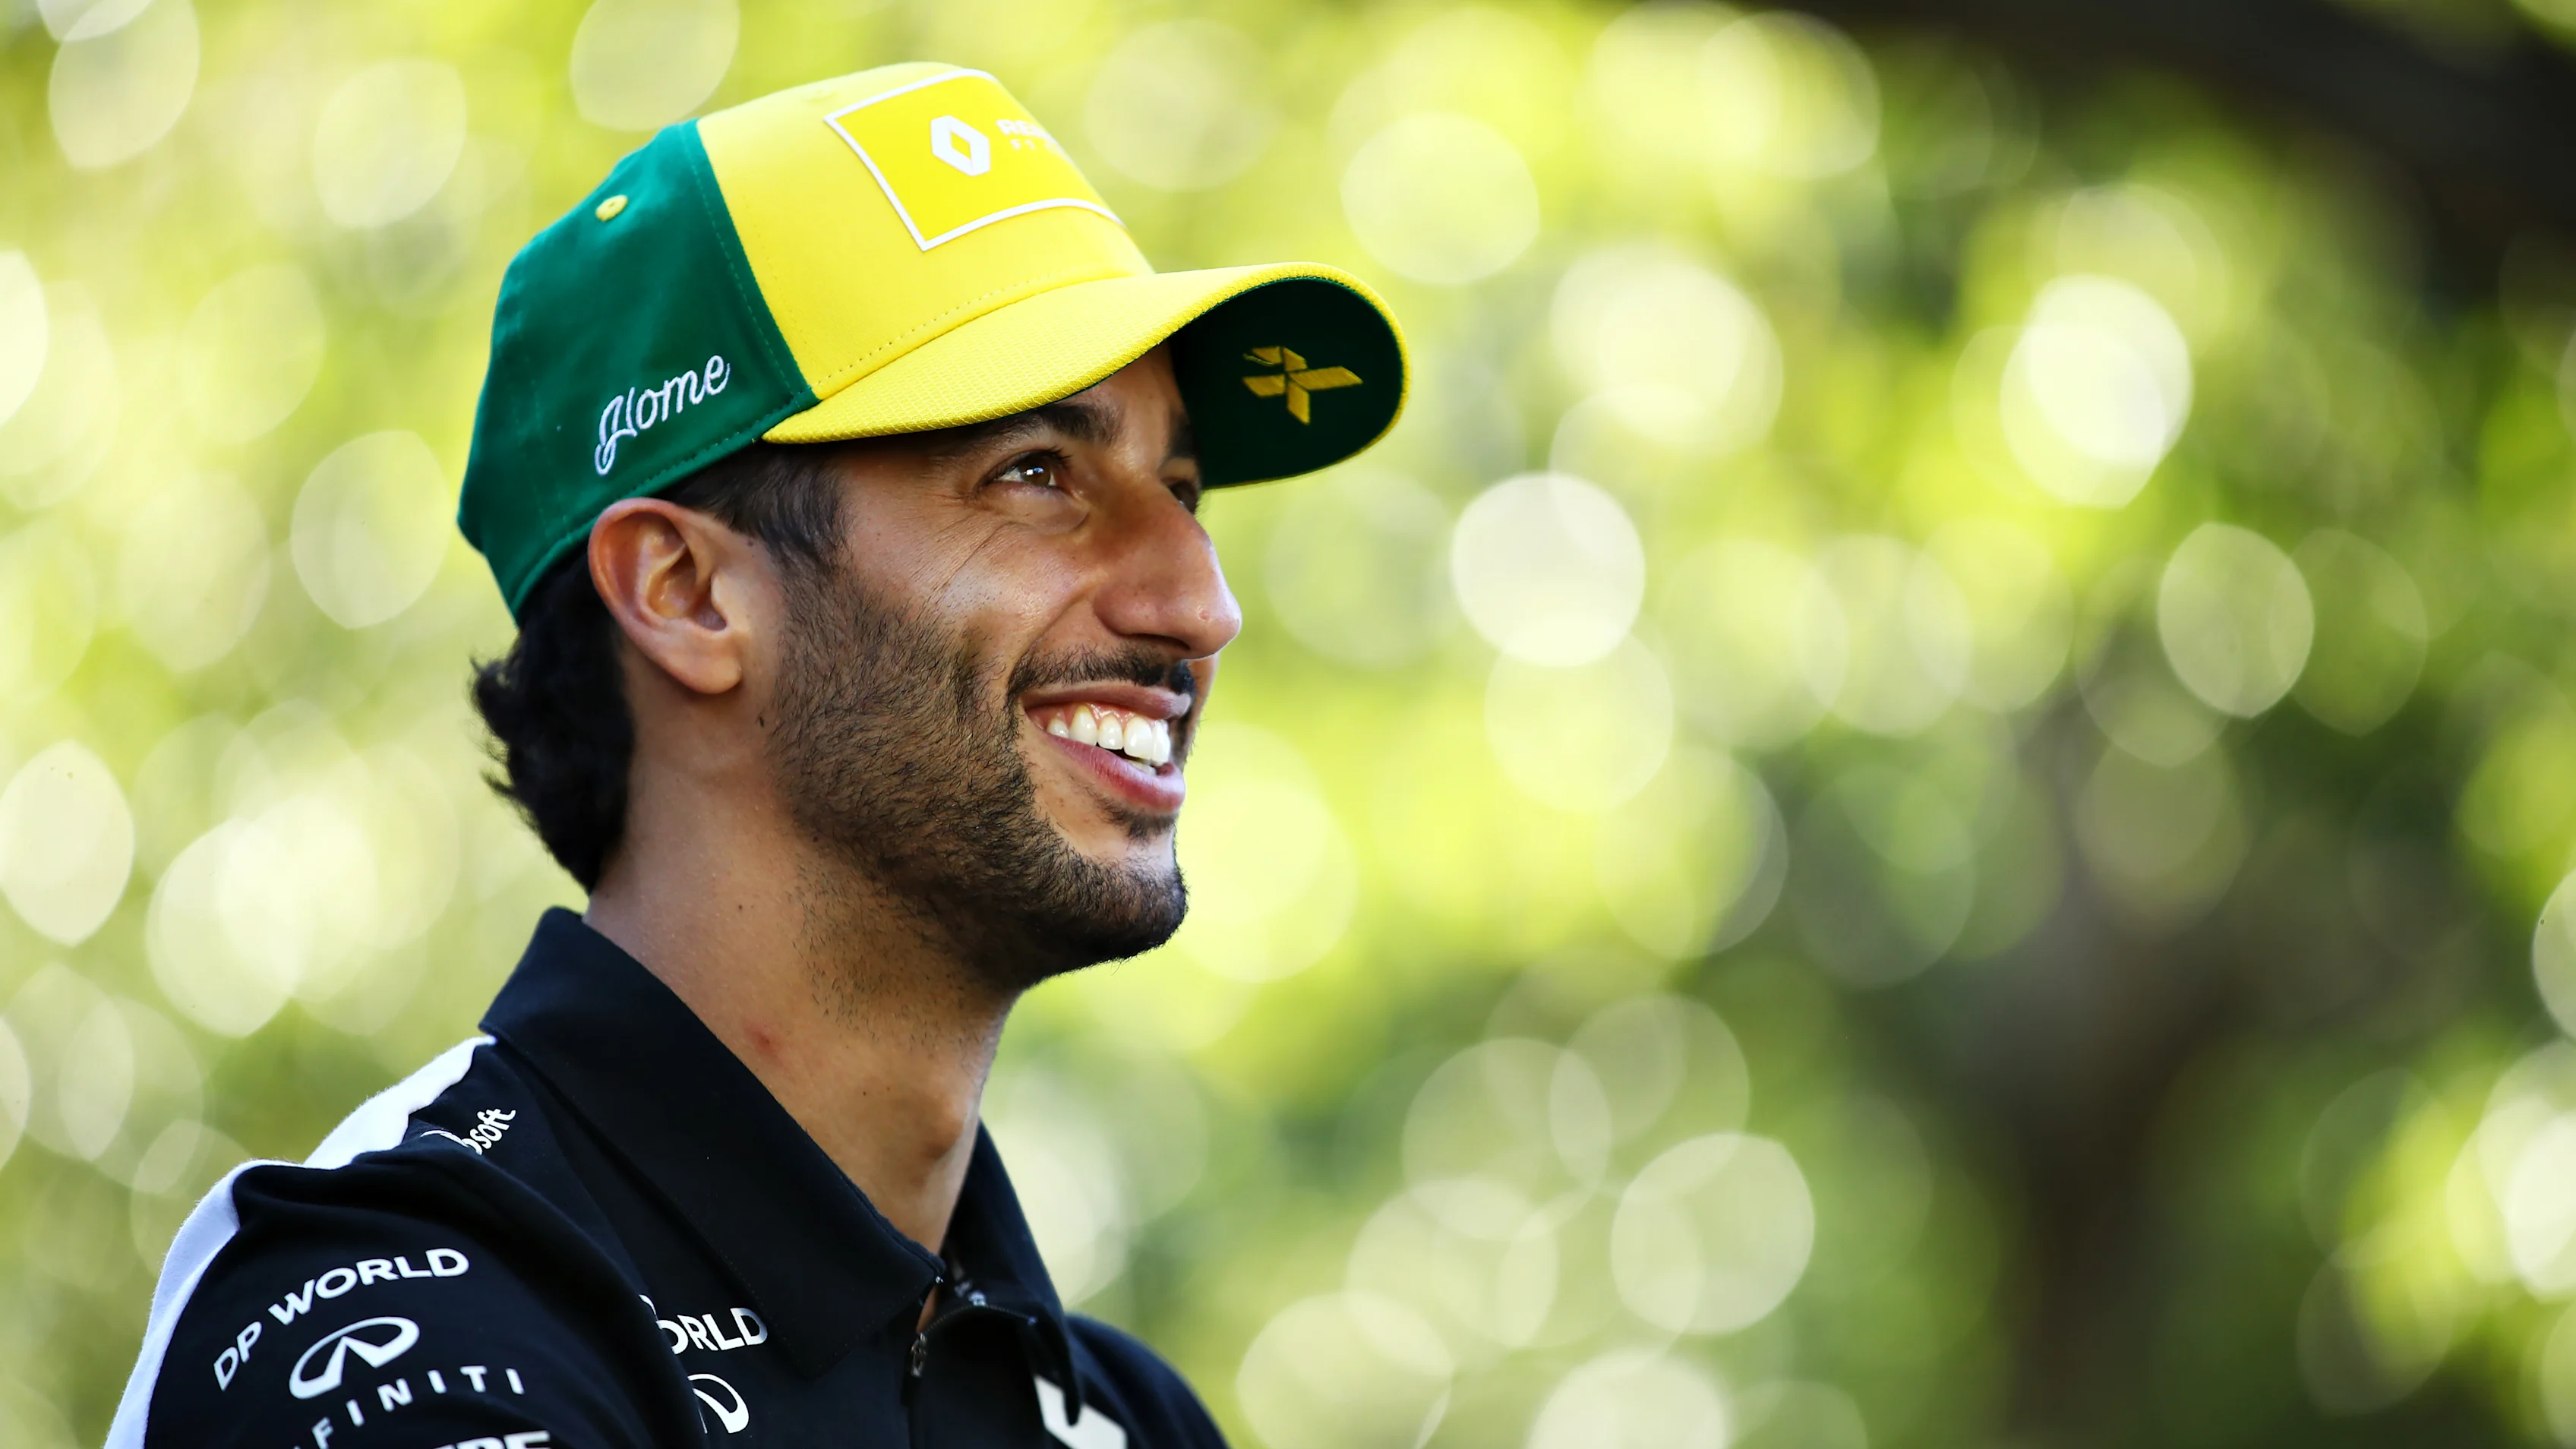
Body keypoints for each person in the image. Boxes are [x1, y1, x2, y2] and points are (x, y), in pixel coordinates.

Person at [106, 62, 1404, 1449]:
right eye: (1037, 472)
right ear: (684, 591)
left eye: (1184, 492)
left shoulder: (1126, 1421)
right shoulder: (388, 1330)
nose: (1203, 607)